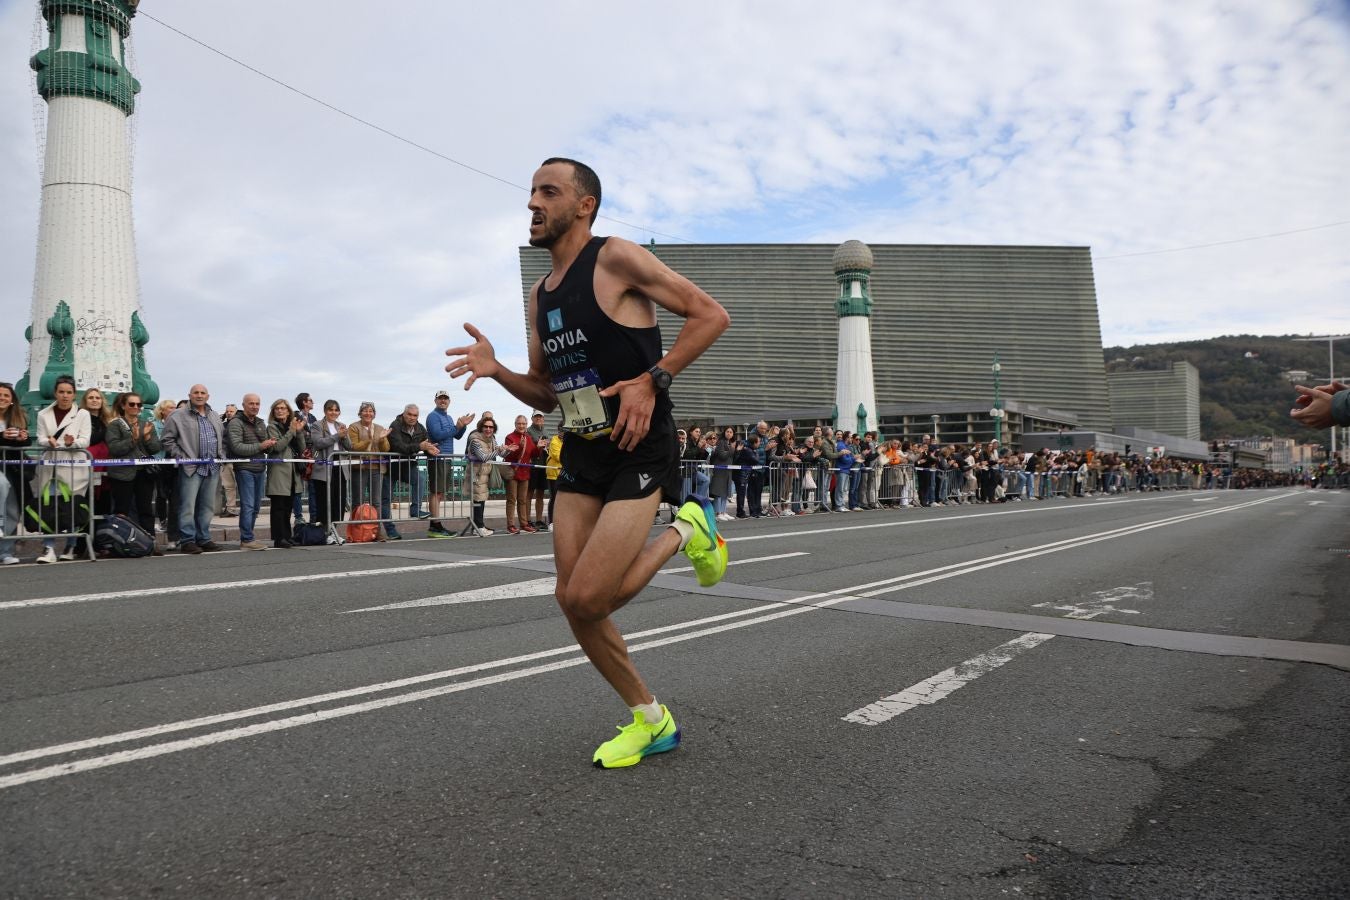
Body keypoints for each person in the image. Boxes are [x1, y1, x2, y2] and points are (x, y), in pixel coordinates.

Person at [445, 157, 730, 769]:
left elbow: (711, 315)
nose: (532, 204)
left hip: (638, 444)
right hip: (579, 446)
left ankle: (686, 529)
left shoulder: (616, 258)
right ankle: (651, 718)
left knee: (592, 597)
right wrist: (498, 373)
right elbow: (547, 393)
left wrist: (652, 380)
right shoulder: (540, 293)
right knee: (571, 600)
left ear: (584, 205)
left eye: (548, 192)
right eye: (530, 193)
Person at [160, 384, 226, 554]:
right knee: (187, 506)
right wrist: (181, 457)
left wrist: (221, 456)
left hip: (212, 468)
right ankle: (187, 540)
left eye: (202, 393)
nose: (199, 395)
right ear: (189, 395)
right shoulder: (177, 415)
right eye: (196, 392)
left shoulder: (214, 416)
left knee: (207, 506)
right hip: (191, 468)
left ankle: (203, 538)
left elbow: (223, 439)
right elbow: (167, 440)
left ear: (208, 396)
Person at [33, 375, 91, 563]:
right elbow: (40, 437)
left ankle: (70, 546)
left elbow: (85, 440)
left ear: (74, 394)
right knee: (49, 508)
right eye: (61, 392)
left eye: (69, 392)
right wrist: (47, 441)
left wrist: (72, 442)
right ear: (55, 393)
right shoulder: (43, 414)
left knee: (72, 508)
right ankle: (48, 547)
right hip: (51, 466)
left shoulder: (83, 414)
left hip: (74, 466)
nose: (65, 396)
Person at [104, 391, 162, 551]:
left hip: (143, 472)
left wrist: (148, 439)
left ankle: (150, 543)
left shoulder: (146, 424)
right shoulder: (115, 425)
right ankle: (119, 543)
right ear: (123, 405)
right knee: (122, 511)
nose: (136, 407)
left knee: (146, 510)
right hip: (122, 474)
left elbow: (156, 448)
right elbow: (114, 448)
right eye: (132, 404)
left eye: (138, 404)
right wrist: (133, 439)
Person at [225, 393, 275, 550]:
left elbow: (267, 443)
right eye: (251, 403)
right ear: (244, 405)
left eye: (257, 404)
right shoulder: (235, 423)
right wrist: (261, 446)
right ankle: (246, 539)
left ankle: (248, 537)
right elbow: (237, 447)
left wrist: (271, 443)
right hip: (245, 468)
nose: (255, 406)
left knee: (255, 506)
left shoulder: (260, 422)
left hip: (260, 468)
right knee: (247, 505)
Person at [425, 390, 474, 537]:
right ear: (435, 401)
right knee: (436, 492)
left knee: (440, 493)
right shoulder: (433, 416)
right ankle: (435, 525)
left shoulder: (449, 417)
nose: (443, 401)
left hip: (447, 459)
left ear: (449, 401)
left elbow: (457, 436)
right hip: (437, 458)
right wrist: (456, 427)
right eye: (440, 398)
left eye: (446, 398)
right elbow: (437, 435)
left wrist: (463, 425)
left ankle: (435, 524)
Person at [265, 398, 308, 548]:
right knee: (278, 506)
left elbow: (302, 449)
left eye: (283, 408)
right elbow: (278, 447)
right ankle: (279, 537)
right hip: (279, 471)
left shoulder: (292, 427)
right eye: (277, 408)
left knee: (288, 506)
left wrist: (299, 431)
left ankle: (287, 536)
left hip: (292, 471)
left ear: (288, 411)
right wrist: (291, 431)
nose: (280, 411)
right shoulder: (272, 427)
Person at [0, 382, 32, 565]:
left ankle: (6, 551)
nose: (3, 398)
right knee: (1, 486)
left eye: (6, 395)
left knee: (12, 509)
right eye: (0, 394)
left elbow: (19, 447)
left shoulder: (17, 418)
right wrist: (2, 437)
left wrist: (23, 440)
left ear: (12, 400)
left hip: (11, 467)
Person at [309, 400, 350, 536]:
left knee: (339, 501)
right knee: (325, 501)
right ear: (325, 411)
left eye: (336, 410)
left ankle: (334, 532)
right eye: (330, 409)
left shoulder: (341, 425)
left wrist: (344, 437)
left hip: (340, 466)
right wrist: (338, 436)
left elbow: (350, 446)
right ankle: (324, 531)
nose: (333, 412)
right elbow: (319, 442)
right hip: (324, 467)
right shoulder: (317, 425)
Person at [502, 414, 538, 534]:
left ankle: (524, 524)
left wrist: (540, 448)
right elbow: (508, 455)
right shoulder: (510, 437)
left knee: (523, 500)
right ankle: (510, 525)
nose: (521, 426)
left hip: (525, 473)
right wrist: (520, 448)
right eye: (519, 423)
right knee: (512, 499)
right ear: (515, 424)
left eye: (524, 424)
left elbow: (533, 454)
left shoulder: (528, 438)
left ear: (526, 425)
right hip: (513, 472)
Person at [465, 415, 501, 536]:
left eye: (491, 427)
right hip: (476, 474)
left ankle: (479, 525)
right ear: (481, 427)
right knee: (478, 499)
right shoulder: (475, 440)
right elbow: (484, 457)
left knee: (481, 499)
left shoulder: (492, 439)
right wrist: (499, 450)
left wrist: (507, 450)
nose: (488, 429)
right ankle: (478, 527)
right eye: (485, 426)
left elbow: (500, 453)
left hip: (485, 474)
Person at [292, 393, 319, 526]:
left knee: (313, 487)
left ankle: (314, 518)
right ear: (304, 402)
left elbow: (315, 435)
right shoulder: (295, 416)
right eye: (310, 400)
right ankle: (298, 516)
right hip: (298, 454)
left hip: (311, 454)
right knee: (297, 487)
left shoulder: (313, 418)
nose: (312, 402)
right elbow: (297, 434)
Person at [527, 410, 549, 529]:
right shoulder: (528, 431)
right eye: (536, 417)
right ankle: (528, 520)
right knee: (529, 493)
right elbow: (529, 448)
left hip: (543, 465)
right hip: (532, 465)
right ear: (532, 418)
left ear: (543, 419)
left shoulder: (545, 431)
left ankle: (539, 520)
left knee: (540, 493)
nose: (538, 419)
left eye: (540, 417)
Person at [216, 403, 240, 517]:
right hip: (225, 459)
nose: (229, 413)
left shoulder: (240, 424)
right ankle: (231, 509)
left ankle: (248, 510)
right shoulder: (223, 425)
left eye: (231, 411)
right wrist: (219, 421)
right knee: (228, 486)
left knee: (243, 486)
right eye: (227, 411)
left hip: (239, 460)